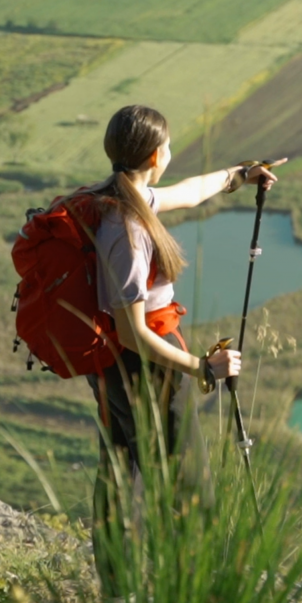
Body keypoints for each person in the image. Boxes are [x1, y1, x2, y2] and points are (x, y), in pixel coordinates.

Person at [87, 104, 283, 563]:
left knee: (119, 475)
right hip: (148, 371)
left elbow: (192, 192)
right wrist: (202, 367)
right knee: (188, 487)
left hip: (109, 369)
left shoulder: (115, 198)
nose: (171, 153)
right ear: (156, 156)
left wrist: (241, 173)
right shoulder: (130, 229)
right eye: (169, 145)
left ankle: (120, 598)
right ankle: (197, 600)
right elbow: (133, 333)